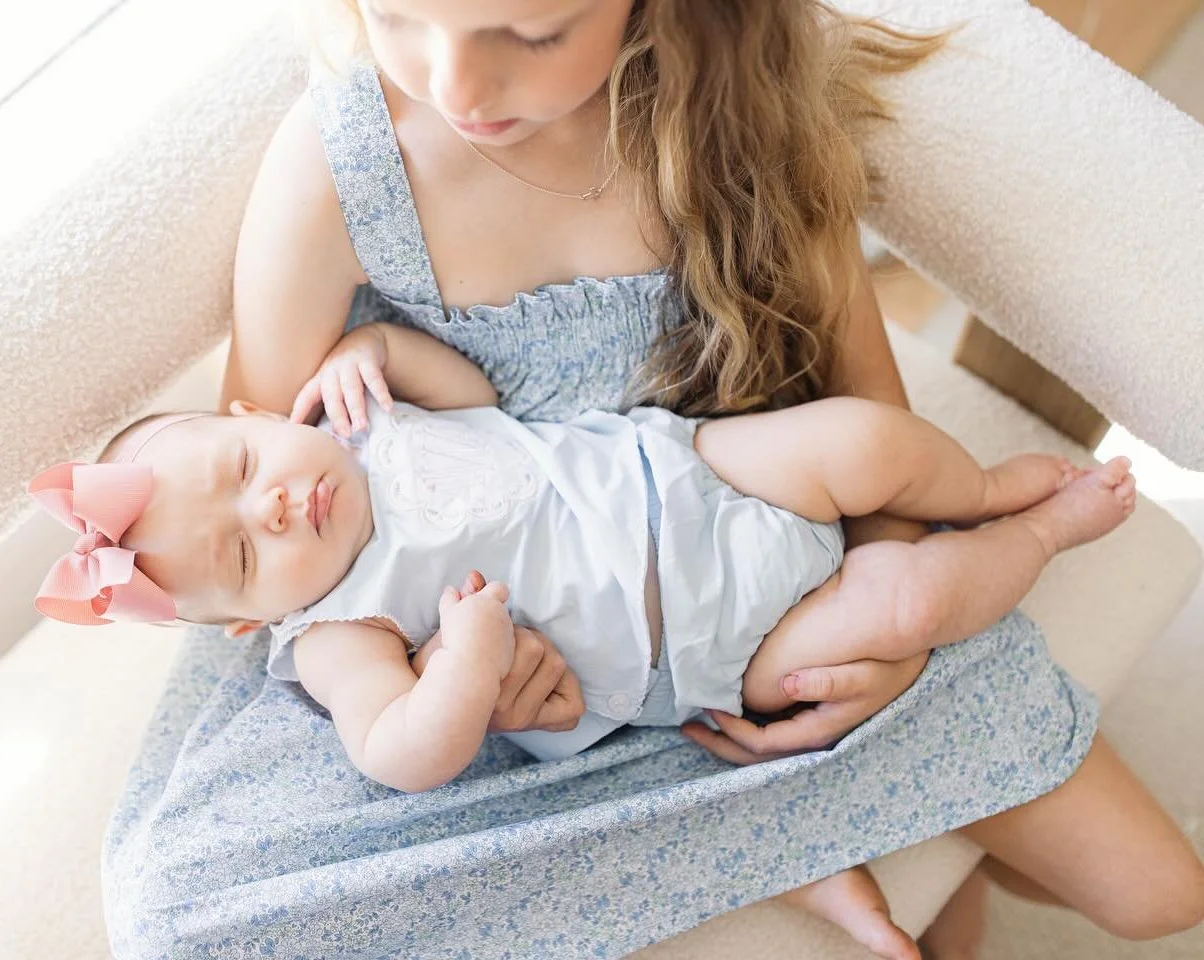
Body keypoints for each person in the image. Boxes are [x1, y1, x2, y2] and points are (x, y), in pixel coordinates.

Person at [99, 2, 1204, 958]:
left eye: (530, 32)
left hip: (757, 564)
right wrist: (452, 673)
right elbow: (253, 517)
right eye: (395, 18)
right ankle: (739, 829)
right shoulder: (342, 162)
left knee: (1160, 896)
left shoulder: (748, 121)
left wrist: (887, 631)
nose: (453, 83)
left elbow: (872, 424)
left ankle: (775, 817)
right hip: (517, 682)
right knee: (177, 908)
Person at [33, 318, 1139, 794]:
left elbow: (471, 398)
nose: (271, 505)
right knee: (902, 607)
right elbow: (395, 750)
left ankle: (983, 487)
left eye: (239, 462)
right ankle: (1040, 531)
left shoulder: (357, 423)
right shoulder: (337, 630)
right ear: (245, 621)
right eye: (238, 551)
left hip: (696, 472)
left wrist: (376, 350)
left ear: (248, 410)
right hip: (712, 649)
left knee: (865, 439)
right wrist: (463, 662)